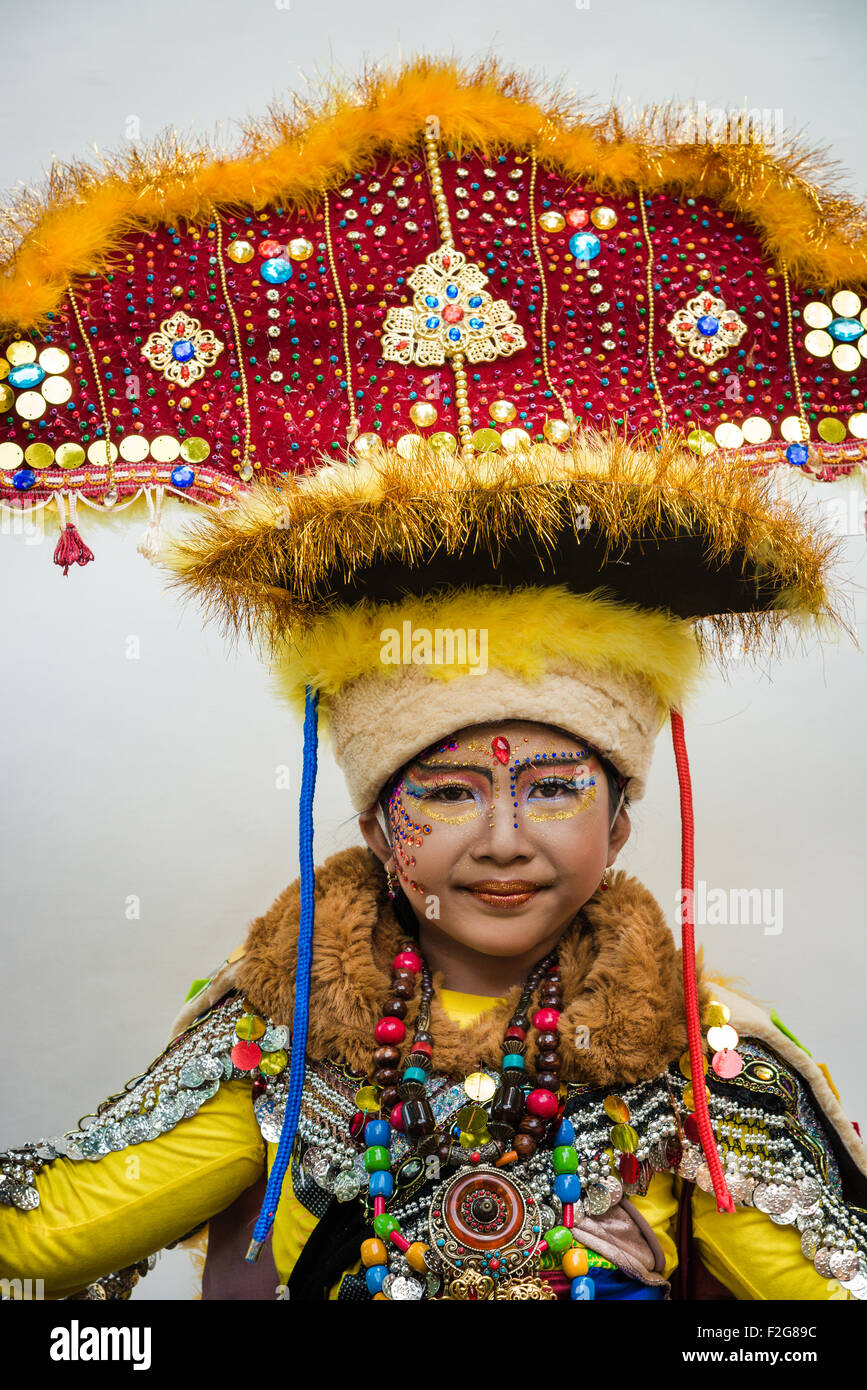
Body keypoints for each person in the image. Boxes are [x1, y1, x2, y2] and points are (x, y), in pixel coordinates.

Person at [1, 59, 866, 1302]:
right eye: (450, 792)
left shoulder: (704, 1066)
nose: (504, 843)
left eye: (556, 787)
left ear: (622, 818)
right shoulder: (280, 1048)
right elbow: (41, 1239)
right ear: (376, 824)